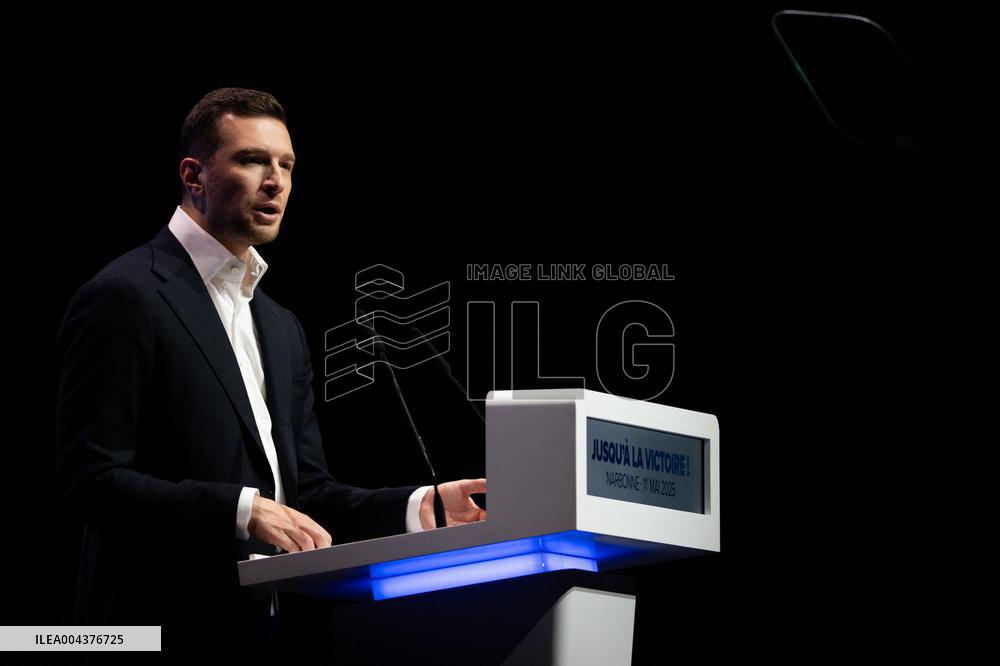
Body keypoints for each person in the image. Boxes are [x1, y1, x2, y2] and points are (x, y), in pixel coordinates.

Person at [54, 87, 486, 653]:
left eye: (286, 165)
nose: (276, 181)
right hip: (157, 630)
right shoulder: (126, 297)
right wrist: (239, 510)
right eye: (252, 160)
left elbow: (307, 493)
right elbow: (91, 482)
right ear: (194, 175)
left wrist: (417, 506)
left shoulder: (280, 326)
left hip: (270, 636)